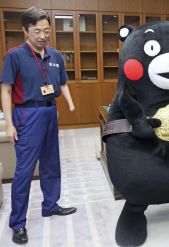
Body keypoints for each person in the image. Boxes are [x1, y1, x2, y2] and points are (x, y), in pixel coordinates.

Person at [0, 6, 77, 244]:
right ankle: (18, 223)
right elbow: (6, 89)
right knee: (24, 170)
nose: (43, 36)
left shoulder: (55, 56)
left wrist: (70, 104)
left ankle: (50, 205)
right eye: (37, 31)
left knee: (51, 161)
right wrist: (10, 124)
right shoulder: (14, 55)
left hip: (49, 112)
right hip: (27, 115)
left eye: (46, 31)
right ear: (26, 31)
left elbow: (62, 83)